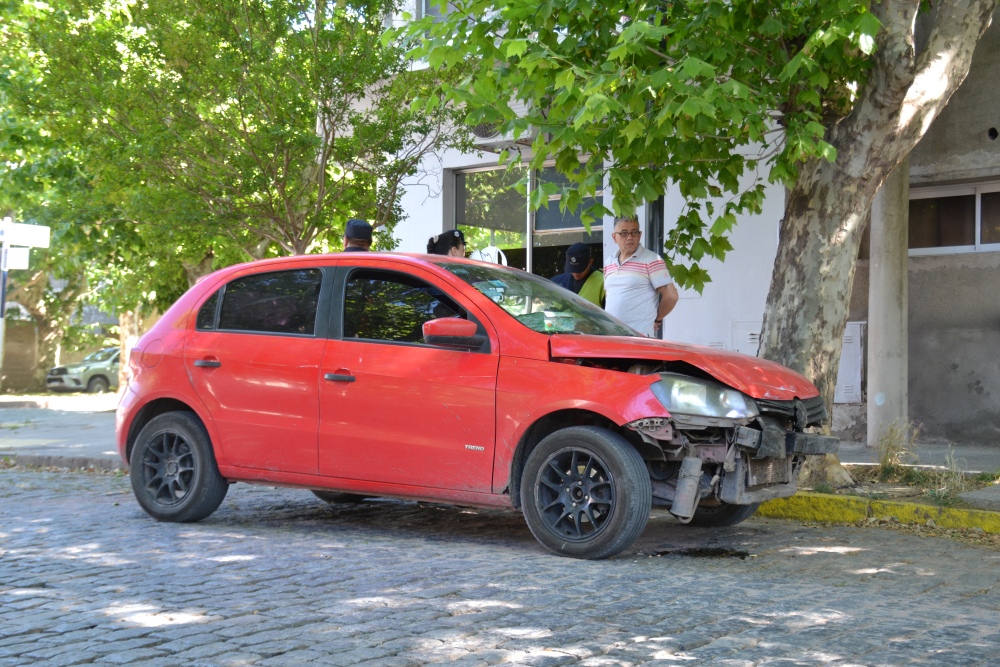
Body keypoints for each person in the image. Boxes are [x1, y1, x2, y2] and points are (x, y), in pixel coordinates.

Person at [604, 215, 678, 337]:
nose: (629, 237)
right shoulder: (609, 262)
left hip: (638, 338)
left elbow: (671, 296)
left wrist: (657, 319)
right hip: (612, 337)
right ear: (614, 237)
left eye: (634, 232)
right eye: (624, 233)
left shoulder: (652, 260)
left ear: (640, 235)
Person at [551, 242, 605, 307]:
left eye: (579, 270)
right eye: (572, 269)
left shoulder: (603, 282)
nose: (575, 273)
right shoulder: (556, 282)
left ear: (590, 262)